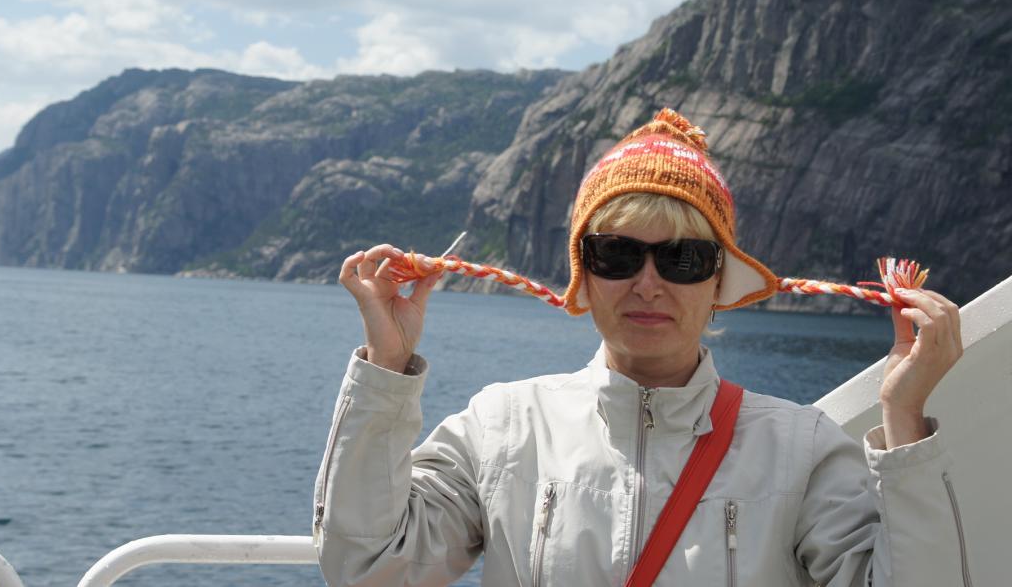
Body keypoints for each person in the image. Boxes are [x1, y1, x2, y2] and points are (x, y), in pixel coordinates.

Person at [314, 109, 968, 586]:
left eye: (682, 258)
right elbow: (368, 564)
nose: (648, 283)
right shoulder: (504, 428)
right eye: (618, 253)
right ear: (585, 274)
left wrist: (903, 416)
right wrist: (386, 370)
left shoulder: (802, 449)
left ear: (716, 282)